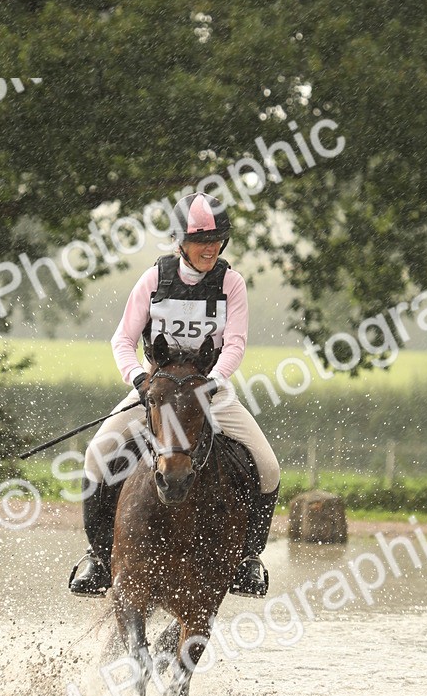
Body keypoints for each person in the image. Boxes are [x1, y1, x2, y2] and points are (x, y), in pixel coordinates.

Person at [68, 191, 280, 598]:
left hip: (211, 390)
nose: (211, 248)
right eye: (202, 241)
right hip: (158, 392)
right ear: (180, 242)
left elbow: (234, 344)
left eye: (218, 240)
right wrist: (137, 380)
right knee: (96, 456)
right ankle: (97, 558)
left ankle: (249, 561)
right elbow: (122, 339)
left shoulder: (231, 283)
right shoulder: (154, 280)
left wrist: (214, 382)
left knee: (268, 468)